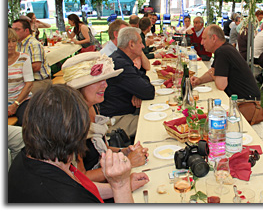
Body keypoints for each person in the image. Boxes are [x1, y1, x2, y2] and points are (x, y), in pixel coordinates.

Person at [8, 84, 140, 203]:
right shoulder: (70, 198)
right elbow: (75, 191)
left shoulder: (29, 156)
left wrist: (118, 186)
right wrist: (121, 187)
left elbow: (80, 184)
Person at [62, 52, 149, 185]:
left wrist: (123, 151)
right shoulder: (71, 121)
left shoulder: (92, 107)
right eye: (98, 81)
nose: (105, 85)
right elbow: (80, 177)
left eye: (106, 80)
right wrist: (127, 162)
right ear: (79, 87)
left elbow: (102, 148)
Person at [100, 27, 155, 137]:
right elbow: (149, 91)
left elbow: (143, 77)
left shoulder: (119, 58)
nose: (143, 46)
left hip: (123, 112)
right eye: (140, 43)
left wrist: (136, 91)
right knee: (154, 125)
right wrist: (139, 90)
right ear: (131, 44)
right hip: (116, 119)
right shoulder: (120, 64)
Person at [191, 24, 260, 100]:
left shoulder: (223, 52)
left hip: (247, 102)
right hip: (243, 98)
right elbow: (212, 72)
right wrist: (199, 80)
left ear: (214, 38)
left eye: (204, 39)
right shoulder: (225, 48)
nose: (201, 43)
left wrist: (213, 73)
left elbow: (221, 85)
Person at [12, 19, 51, 94]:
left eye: (17, 29)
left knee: (18, 95)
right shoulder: (16, 44)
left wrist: (16, 70)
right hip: (24, 80)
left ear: (26, 31)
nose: (14, 32)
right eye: (12, 29)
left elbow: (36, 67)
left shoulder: (33, 44)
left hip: (39, 81)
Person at [8, 28, 34, 126]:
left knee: (25, 121)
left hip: (21, 100)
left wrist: (15, 104)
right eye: (7, 42)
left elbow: (29, 84)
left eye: (13, 41)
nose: (11, 45)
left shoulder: (24, 58)